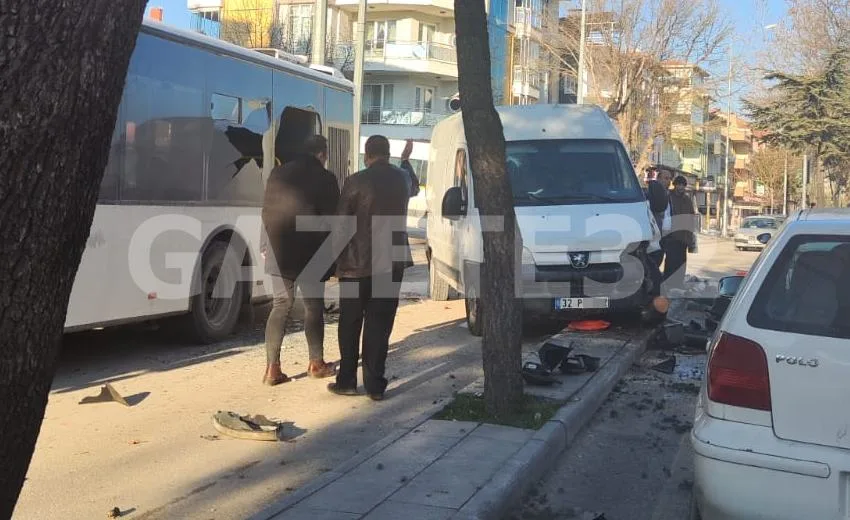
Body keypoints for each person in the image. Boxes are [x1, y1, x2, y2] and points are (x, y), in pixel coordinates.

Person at [328, 135, 413, 401]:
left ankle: (347, 381)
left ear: (367, 155)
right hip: (391, 261)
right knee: (380, 323)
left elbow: (341, 224)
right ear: (387, 154)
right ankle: (375, 385)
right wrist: (406, 160)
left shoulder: (356, 181)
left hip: (356, 264)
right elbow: (415, 186)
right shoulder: (402, 179)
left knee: (350, 321)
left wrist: (332, 261)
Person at [260, 135, 340, 385]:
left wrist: (264, 244)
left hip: (278, 247)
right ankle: (316, 363)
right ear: (321, 154)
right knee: (313, 306)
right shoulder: (326, 179)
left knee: (281, 304)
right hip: (310, 251)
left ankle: (272, 369)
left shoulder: (277, 173)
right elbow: (333, 219)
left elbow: (266, 209)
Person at [662, 175, 697, 291]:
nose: (681, 187)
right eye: (679, 184)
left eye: (683, 185)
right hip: (672, 236)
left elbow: (691, 217)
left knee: (681, 262)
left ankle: (678, 283)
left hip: (684, 237)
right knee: (671, 261)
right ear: (675, 185)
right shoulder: (669, 197)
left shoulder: (687, 199)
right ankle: (668, 284)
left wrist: (691, 237)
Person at [646, 167, 672, 267]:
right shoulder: (650, 195)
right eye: (666, 178)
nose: (669, 181)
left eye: (670, 179)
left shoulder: (669, 196)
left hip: (665, 238)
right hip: (654, 238)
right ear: (658, 179)